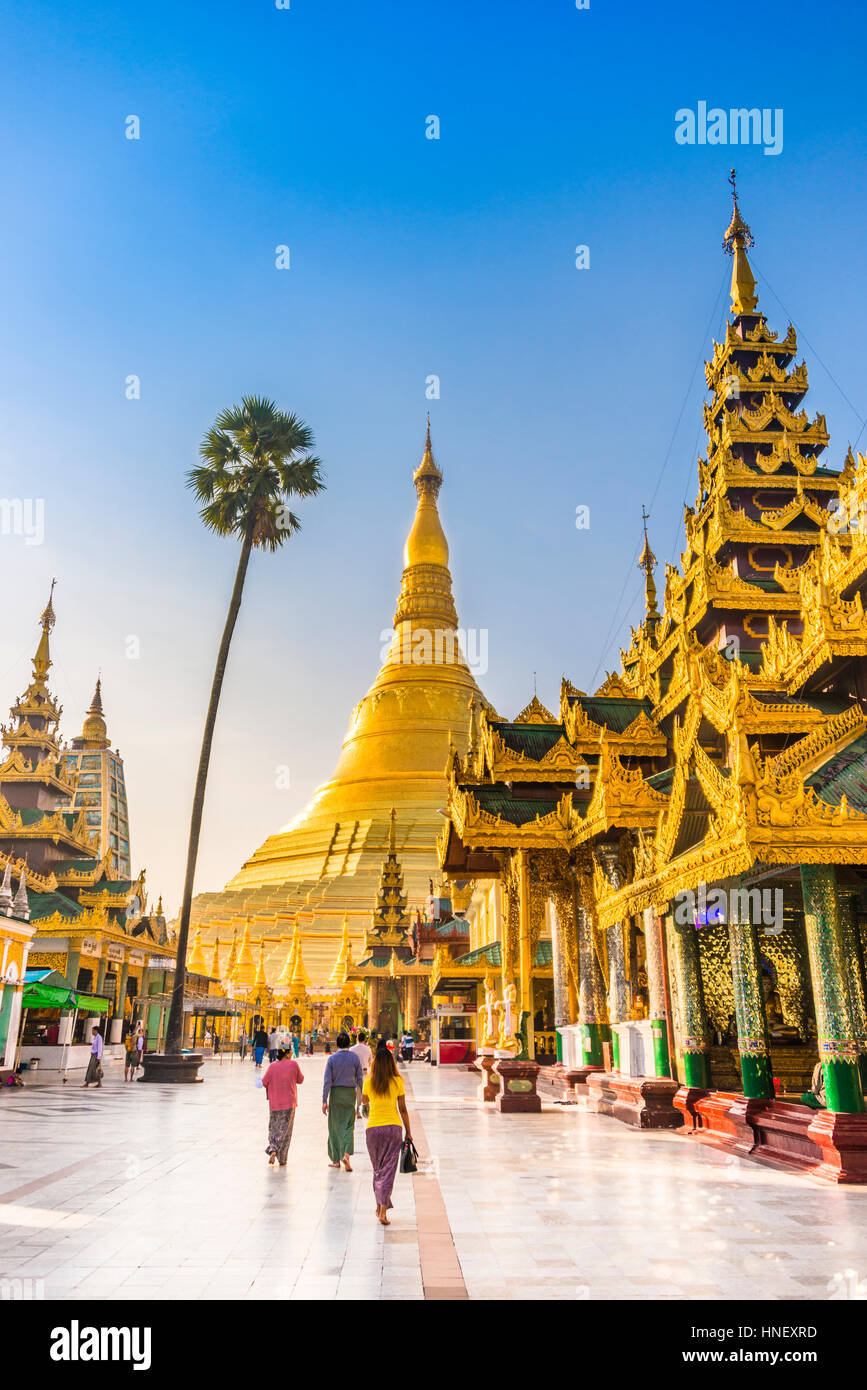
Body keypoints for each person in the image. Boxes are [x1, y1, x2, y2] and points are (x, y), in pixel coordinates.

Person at [363, 1038, 413, 1225]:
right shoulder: (397, 1081)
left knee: (378, 1170)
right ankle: (382, 1209)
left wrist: (370, 1115)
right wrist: (408, 1131)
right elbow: (403, 1109)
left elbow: (364, 1107)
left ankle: (379, 1205)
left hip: (373, 1129)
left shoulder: (369, 1082)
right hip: (393, 1128)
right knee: (388, 1170)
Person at [322, 1032, 363, 1171]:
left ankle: (335, 1160)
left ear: (337, 1044)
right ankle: (346, 1154)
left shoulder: (332, 1059)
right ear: (348, 1043)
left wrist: (324, 1100)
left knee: (335, 1126)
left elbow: (327, 1081)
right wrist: (363, 1096)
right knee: (348, 1125)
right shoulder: (354, 1058)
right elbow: (360, 1078)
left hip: (336, 1094)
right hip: (350, 1094)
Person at [262, 1046, 305, 1166]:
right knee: (286, 1130)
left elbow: (264, 1082)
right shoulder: (293, 1065)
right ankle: (282, 1158)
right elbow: (300, 1080)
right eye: (291, 1051)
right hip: (289, 1103)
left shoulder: (272, 1066)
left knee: (274, 1128)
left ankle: (273, 1148)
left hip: (275, 1103)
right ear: (286, 1054)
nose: (292, 1052)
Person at [351, 1029, 373, 1117]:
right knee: (362, 1092)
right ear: (364, 1039)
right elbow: (370, 1062)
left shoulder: (352, 1049)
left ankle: (354, 1109)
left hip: (353, 1072)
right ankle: (359, 1110)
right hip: (364, 1072)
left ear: (357, 1039)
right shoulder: (368, 1049)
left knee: (354, 1092)